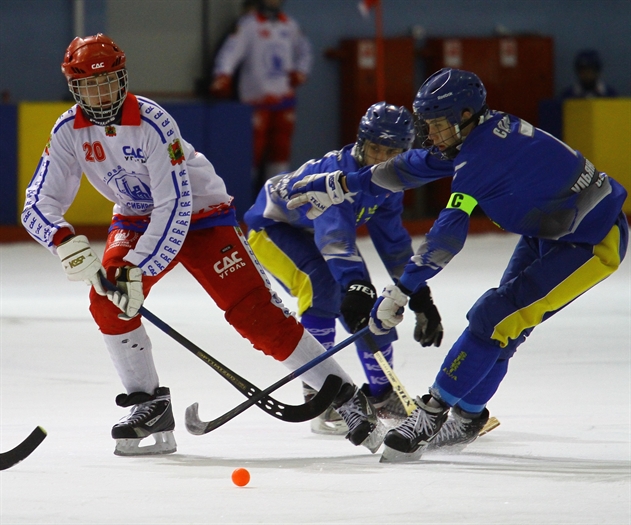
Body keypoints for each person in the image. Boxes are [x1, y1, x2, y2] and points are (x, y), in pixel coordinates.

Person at [21, 34, 386, 457]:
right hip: (135, 218)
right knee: (107, 302)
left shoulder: (154, 123)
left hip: (202, 216)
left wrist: (136, 266)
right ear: (74, 89)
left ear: (123, 79)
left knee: (256, 315)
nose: (100, 95)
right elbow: (39, 201)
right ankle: (149, 405)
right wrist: (61, 239)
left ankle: (344, 395)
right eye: (88, 86)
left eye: (108, 83)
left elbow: (174, 206)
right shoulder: (68, 130)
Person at [287, 68, 629, 461]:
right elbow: (409, 167)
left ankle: (431, 413)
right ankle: (467, 417)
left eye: (435, 124)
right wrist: (339, 185)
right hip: (551, 231)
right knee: (503, 327)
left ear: (464, 114)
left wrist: (401, 293)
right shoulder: (481, 135)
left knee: (494, 316)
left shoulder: (481, 157)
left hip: (591, 242)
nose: (430, 135)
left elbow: (445, 239)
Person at [244, 102, 441, 435]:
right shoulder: (332, 179)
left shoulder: (389, 183)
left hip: (313, 232)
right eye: (374, 147)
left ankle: (383, 397)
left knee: (370, 303)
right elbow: (335, 242)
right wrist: (354, 288)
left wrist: (418, 294)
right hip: (272, 228)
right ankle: (322, 396)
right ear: (361, 141)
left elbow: (393, 244)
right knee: (324, 289)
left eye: (390, 151)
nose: (380, 158)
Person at [209, 0, 312, 193]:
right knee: (251, 153)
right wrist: (222, 74)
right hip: (256, 101)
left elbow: (304, 51)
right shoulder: (248, 25)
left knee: (280, 150)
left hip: (284, 100)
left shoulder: (290, 25)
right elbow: (230, 52)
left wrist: (301, 71)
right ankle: (243, 198)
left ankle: (278, 200)